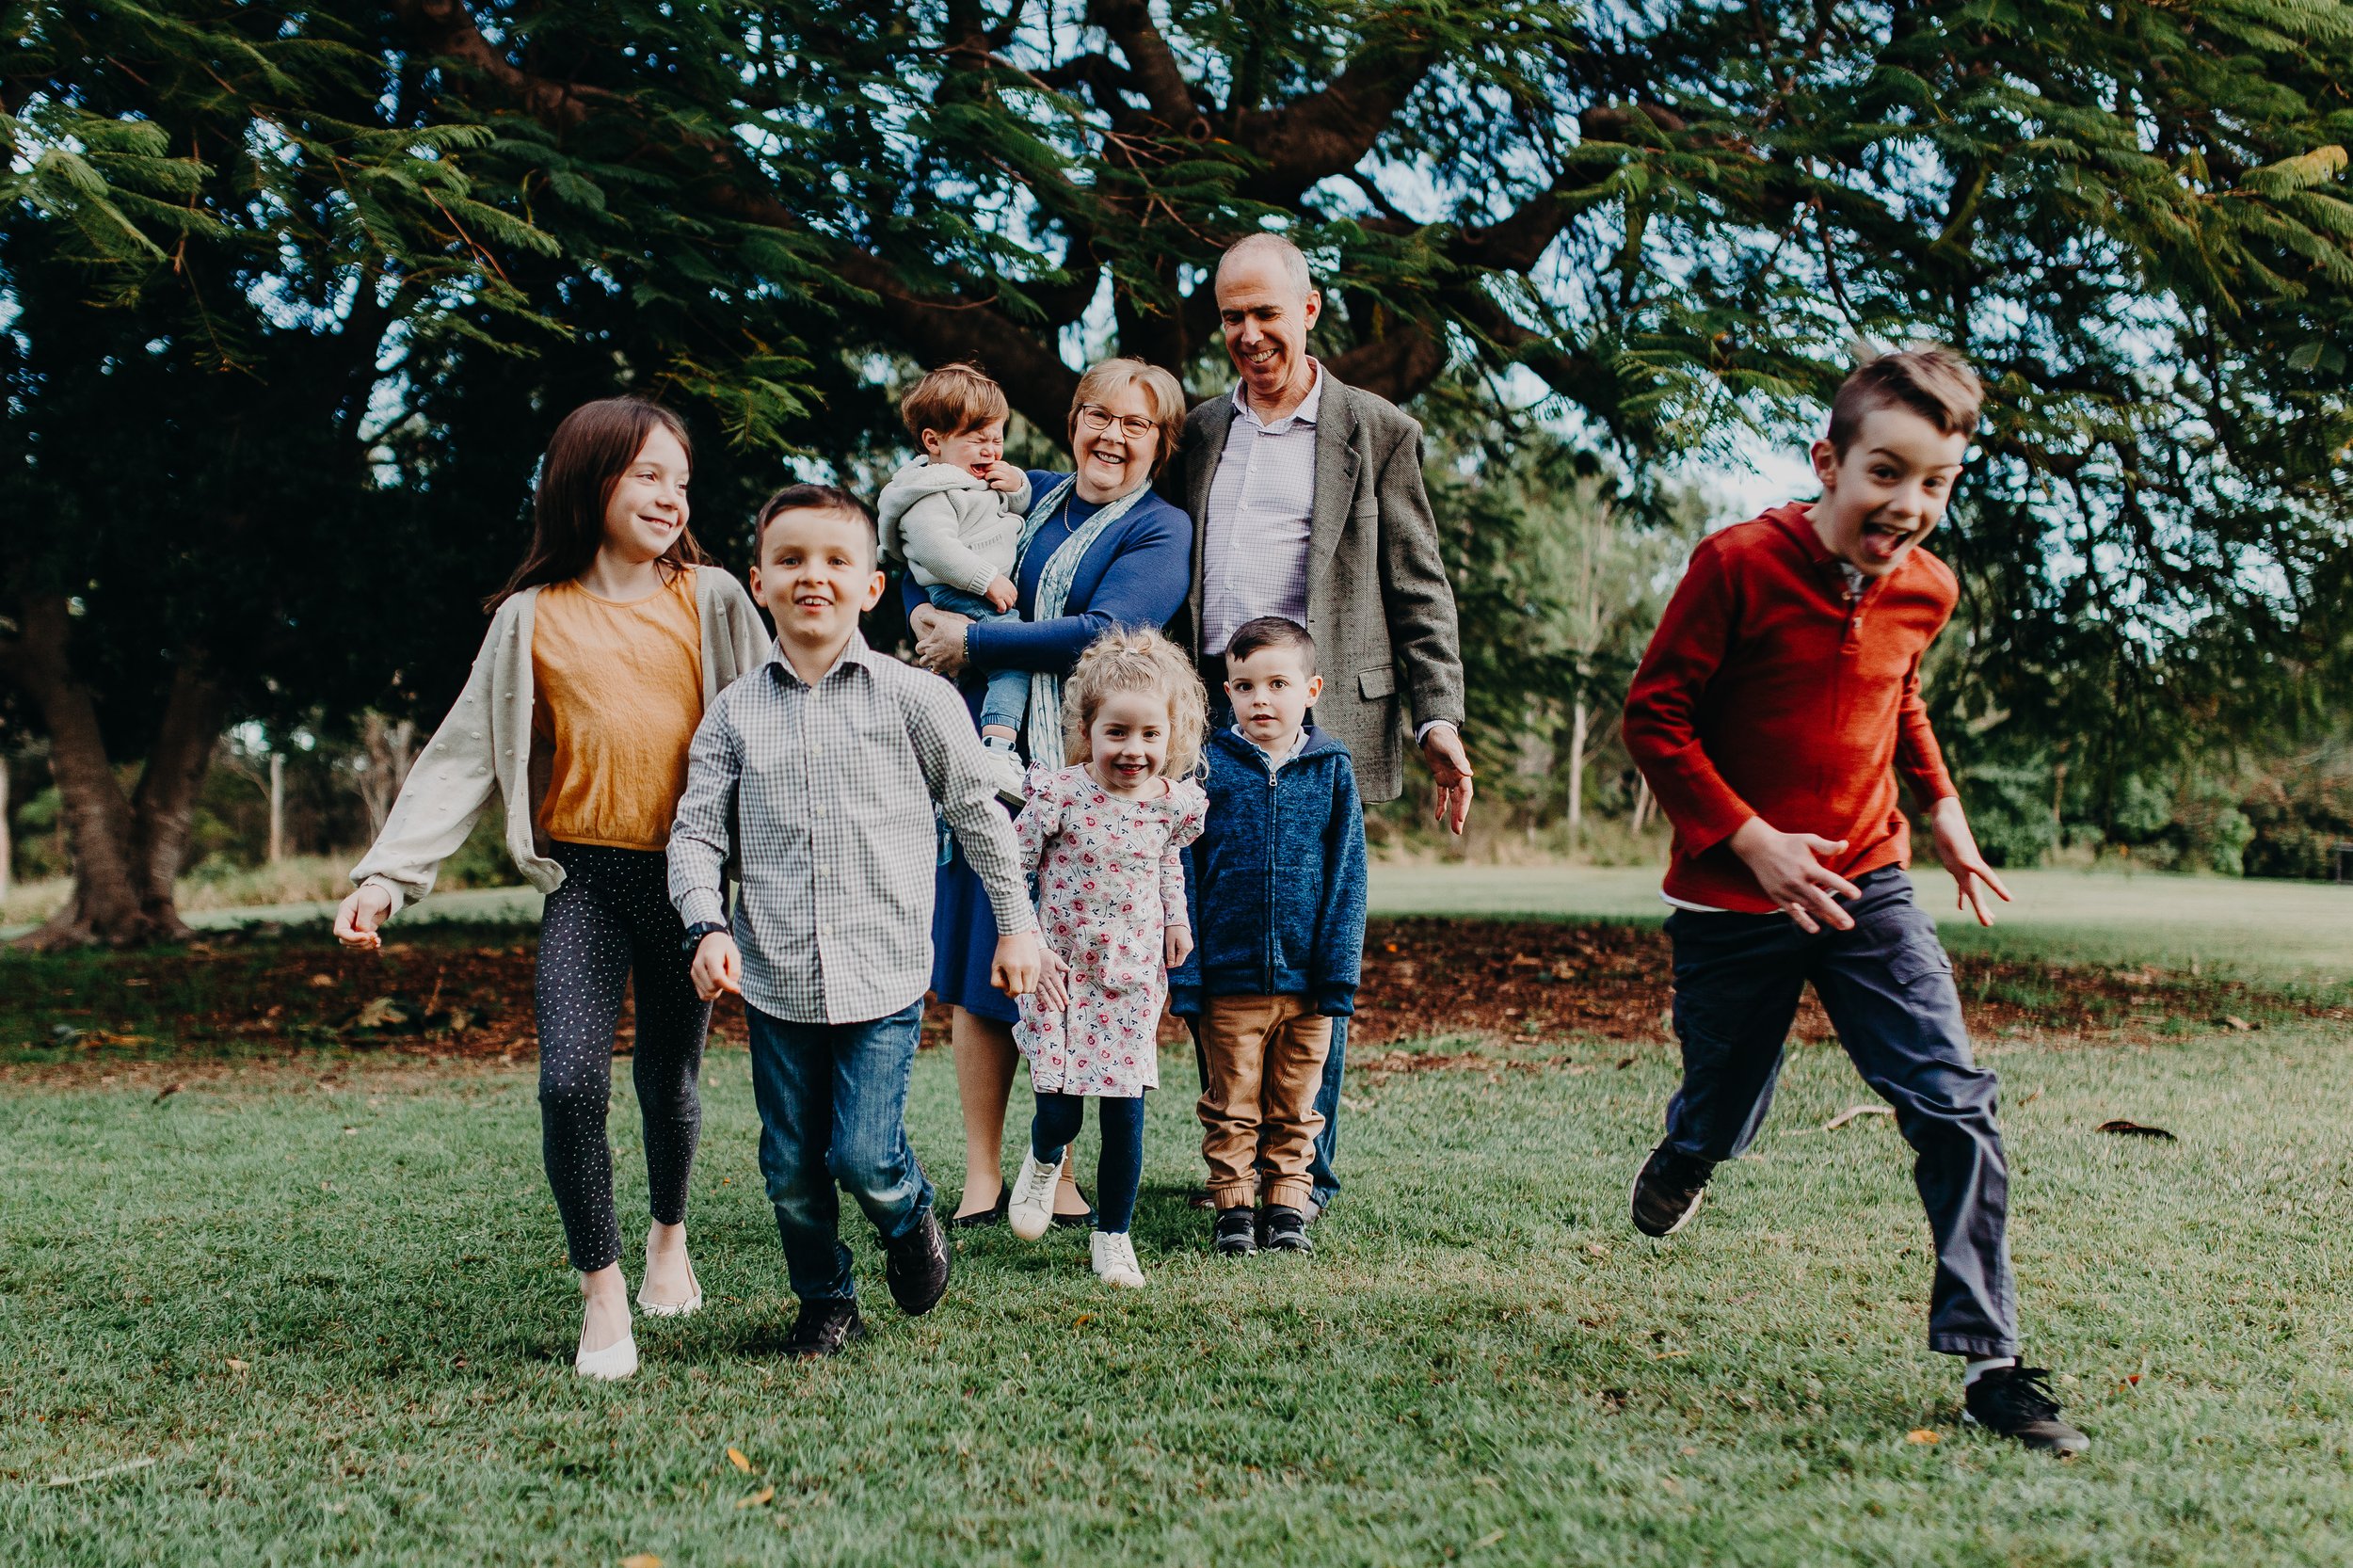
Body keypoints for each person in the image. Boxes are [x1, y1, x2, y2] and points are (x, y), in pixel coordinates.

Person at [1619, 346, 2089, 1455]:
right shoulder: (1735, 563)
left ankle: (1991, 1361)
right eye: (1887, 473)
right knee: (1724, 1096)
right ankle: (1691, 1149)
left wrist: (1943, 810)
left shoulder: (1927, 584)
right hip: (1736, 899)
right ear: (1828, 462)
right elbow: (1654, 716)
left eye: (1935, 484)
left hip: (1869, 878)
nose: (1909, 505)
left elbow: (1900, 692)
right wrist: (1751, 842)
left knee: (1951, 1099)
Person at [333, 397, 768, 1381]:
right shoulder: (530, 618)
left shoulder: (712, 599)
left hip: (687, 880)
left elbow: (777, 726)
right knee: (569, 1080)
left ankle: (668, 1237)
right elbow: (459, 758)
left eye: (681, 480)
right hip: (581, 877)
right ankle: (601, 1290)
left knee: (669, 1077)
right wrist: (388, 878)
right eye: (647, 474)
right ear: (589, 479)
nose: (670, 495)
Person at [669, 484, 1041, 1359]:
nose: (814, 578)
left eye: (838, 562)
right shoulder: (733, 713)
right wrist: (704, 924)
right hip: (775, 978)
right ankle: (826, 1299)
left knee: (866, 1156)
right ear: (758, 581)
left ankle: (910, 1222)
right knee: (792, 1169)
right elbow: (694, 833)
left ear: (873, 587)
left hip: (881, 975)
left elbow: (980, 815)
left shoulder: (914, 700)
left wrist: (1017, 925)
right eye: (791, 560)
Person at [1172, 232, 1469, 1221]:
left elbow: (1418, 587)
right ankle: (1236, 1166)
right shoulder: (1200, 428)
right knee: (1219, 943)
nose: (1248, 333)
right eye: (1230, 315)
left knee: (1310, 953)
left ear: (1308, 310)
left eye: (1265, 312)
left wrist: (1438, 719)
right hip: (1211, 715)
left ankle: (1303, 1175)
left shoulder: (1375, 429)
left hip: (1320, 713)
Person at [904, 358, 1194, 1230]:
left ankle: (1058, 1170)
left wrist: (977, 639)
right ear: (1071, 421)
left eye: (1134, 425)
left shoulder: (1160, 530)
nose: (1111, 436)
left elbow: (1106, 635)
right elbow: (927, 514)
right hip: (982, 763)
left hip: (1086, 784)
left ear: (1160, 443)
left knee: (1074, 969)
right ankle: (984, 1174)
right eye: (1096, 416)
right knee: (978, 964)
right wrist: (929, 613)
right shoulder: (1023, 495)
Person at [1001, 629, 1208, 1289]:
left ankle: (1113, 1236)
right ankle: (1042, 1160)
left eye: (1150, 735)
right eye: (1117, 733)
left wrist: (1177, 918)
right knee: (1061, 1107)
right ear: (1087, 730)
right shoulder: (1059, 795)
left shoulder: (1171, 806)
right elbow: (1013, 869)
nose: (1134, 750)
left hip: (1129, 977)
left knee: (1123, 1113)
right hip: (1060, 973)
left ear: (1169, 737)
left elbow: (1168, 863)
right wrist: (1027, 941)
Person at [1168, 616, 1368, 1256]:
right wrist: (1189, 974)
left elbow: (1348, 877)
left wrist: (1338, 975)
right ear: (1226, 692)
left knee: (1298, 1105)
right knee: (1232, 1102)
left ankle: (1287, 1206)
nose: (1261, 699)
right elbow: (1184, 874)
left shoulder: (1331, 769)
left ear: (1310, 689)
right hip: (1229, 977)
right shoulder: (1206, 771)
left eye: (1277, 684)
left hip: (1310, 982)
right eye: (1245, 686)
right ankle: (1232, 1207)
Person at [876, 363, 1032, 802]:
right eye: (977, 439)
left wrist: (1017, 484)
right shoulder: (928, 491)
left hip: (975, 589)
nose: (990, 451)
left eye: (997, 439)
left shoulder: (973, 481)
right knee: (1013, 657)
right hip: (963, 592)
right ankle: (998, 750)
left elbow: (1013, 506)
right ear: (934, 441)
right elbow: (933, 549)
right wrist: (987, 581)